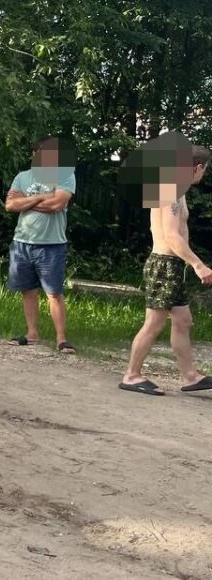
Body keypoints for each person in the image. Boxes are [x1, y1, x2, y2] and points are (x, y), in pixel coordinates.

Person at [119, 136, 212, 395]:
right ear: (197, 167)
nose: (204, 174)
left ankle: (191, 376)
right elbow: (172, 237)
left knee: (182, 320)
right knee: (154, 323)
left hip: (171, 266)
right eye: (205, 169)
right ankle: (131, 375)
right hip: (164, 265)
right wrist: (198, 265)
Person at [4, 136, 78, 354]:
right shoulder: (22, 177)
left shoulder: (65, 176)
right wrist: (42, 197)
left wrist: (27, 201)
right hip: (22, 243)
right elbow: (10, 205)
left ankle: (61, 339)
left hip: (52, 244)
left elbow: (56, 204)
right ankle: (32, 333)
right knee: (27, 290)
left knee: (53, 292)